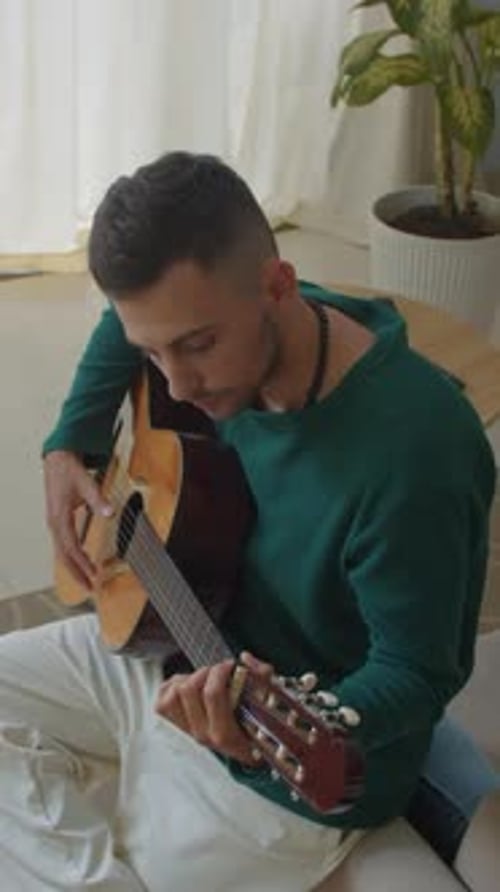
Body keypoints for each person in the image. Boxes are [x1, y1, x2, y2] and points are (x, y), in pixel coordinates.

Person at [0, 151, 497, 891]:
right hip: (175, 632)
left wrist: (261, 730)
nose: (177, 383)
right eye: (153, 352)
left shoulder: (415, 457)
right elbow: (129, 322)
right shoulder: (212, 320)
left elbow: (416, 672)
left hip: (282, 767)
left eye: (198, 345)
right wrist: (69, 444)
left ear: (278, 285)